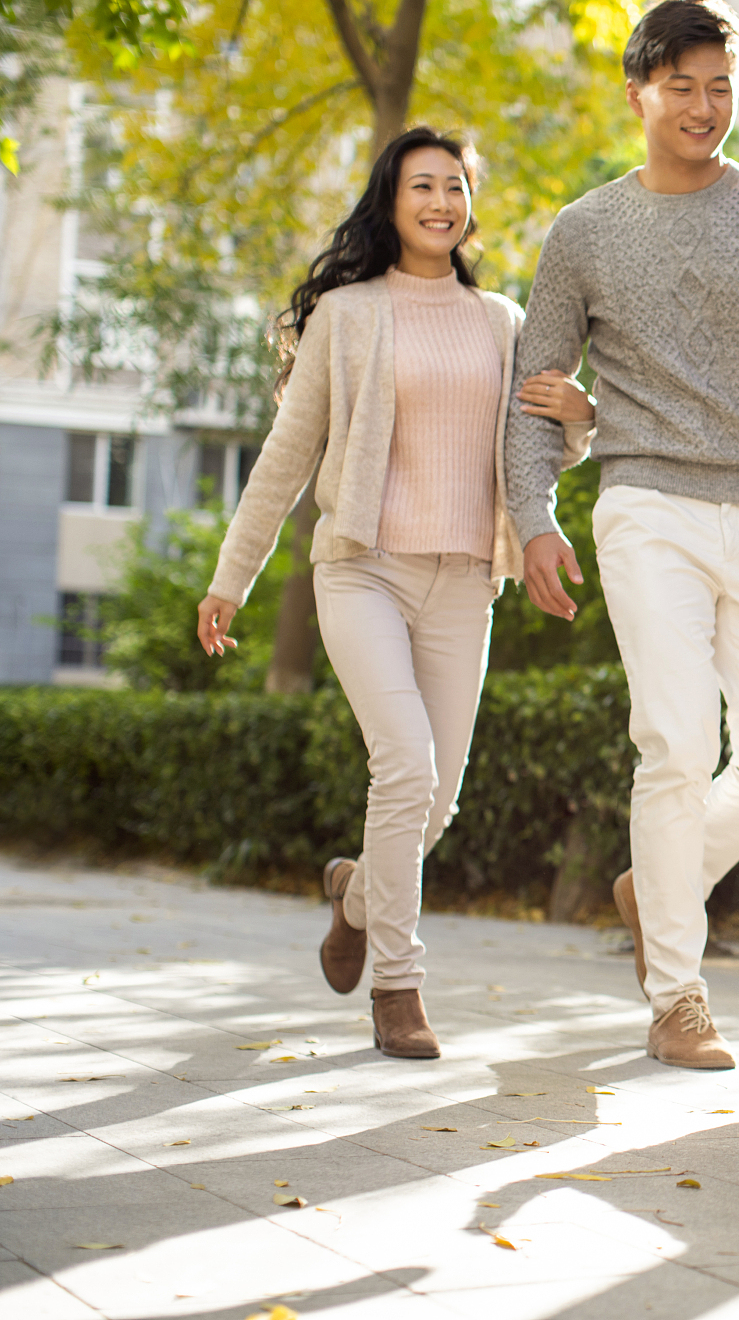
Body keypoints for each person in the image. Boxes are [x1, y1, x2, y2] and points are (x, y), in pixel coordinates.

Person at [505, 0, 739, 1071]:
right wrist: (532, 516)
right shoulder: (582, 233)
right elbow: (536, 387)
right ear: (638, 91)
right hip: (646, 508)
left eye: (721, 87)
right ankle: (676, 996)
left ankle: (654, 884)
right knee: (672, 740)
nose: (705, 107)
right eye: (682, 88)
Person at [198, 126, 595, 1059]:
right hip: (362, 566)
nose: (440, 202)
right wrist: (232, 576)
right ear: (390, 201)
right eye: (422, 185)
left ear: (468, 204)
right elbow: (289, 456)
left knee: (440, 799)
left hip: (464, 575)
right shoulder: (348, 314)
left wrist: (586, 419)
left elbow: (536, 435)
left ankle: (355, 894)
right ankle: (399, 984)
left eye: (455, 186)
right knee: (405, 764)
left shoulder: (499, 319)